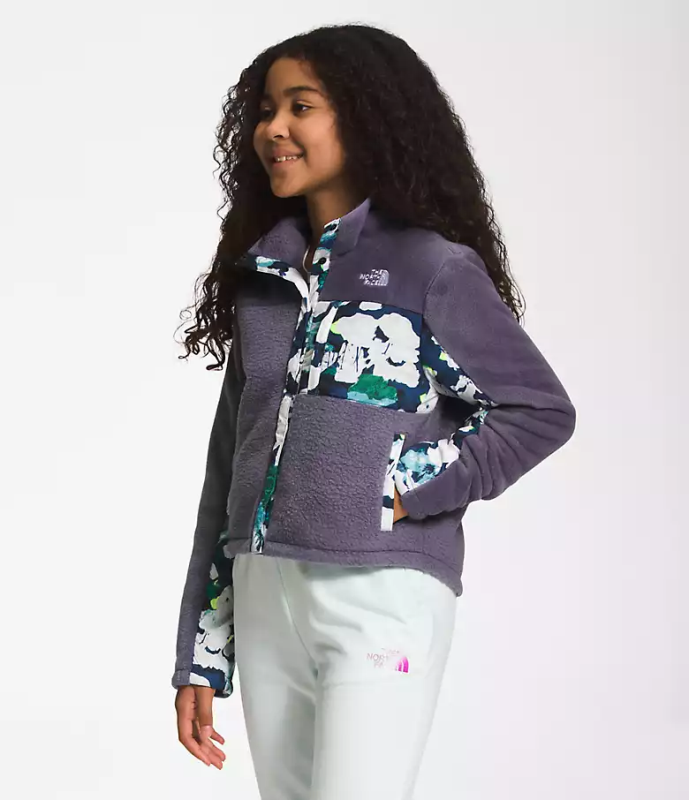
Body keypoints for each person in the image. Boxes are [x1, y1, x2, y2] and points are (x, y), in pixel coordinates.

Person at [171, 22, 577, 800]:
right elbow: (228, 465)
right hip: (262, 594)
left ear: (364, 117)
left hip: (378, 597)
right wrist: (202, 650)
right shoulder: (263, 276)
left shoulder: (430, 268)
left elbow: (536, 410)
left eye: (300, 106)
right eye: (265, 109)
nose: (273, 128)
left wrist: (401, 487)